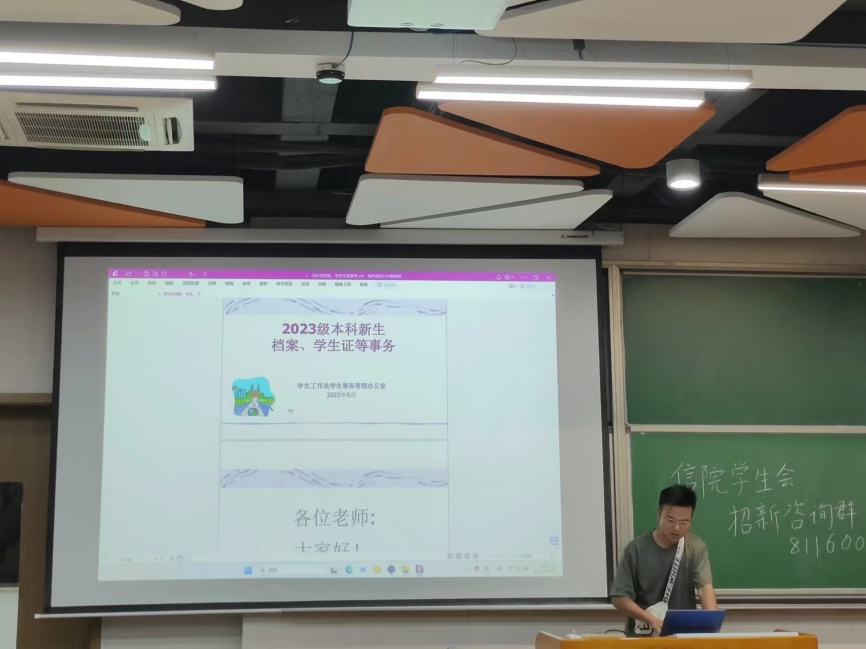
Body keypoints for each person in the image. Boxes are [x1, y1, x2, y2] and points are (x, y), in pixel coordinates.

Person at [610, 484, 717, 636]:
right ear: (659, 514)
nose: (677, 528)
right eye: (671, 520)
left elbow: (704, 588)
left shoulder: (696, 547)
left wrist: (712, 627)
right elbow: (619, 598)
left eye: (684, 522)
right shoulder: (636, 549)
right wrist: (651, 619)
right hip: (643, 637)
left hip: (682, 636)